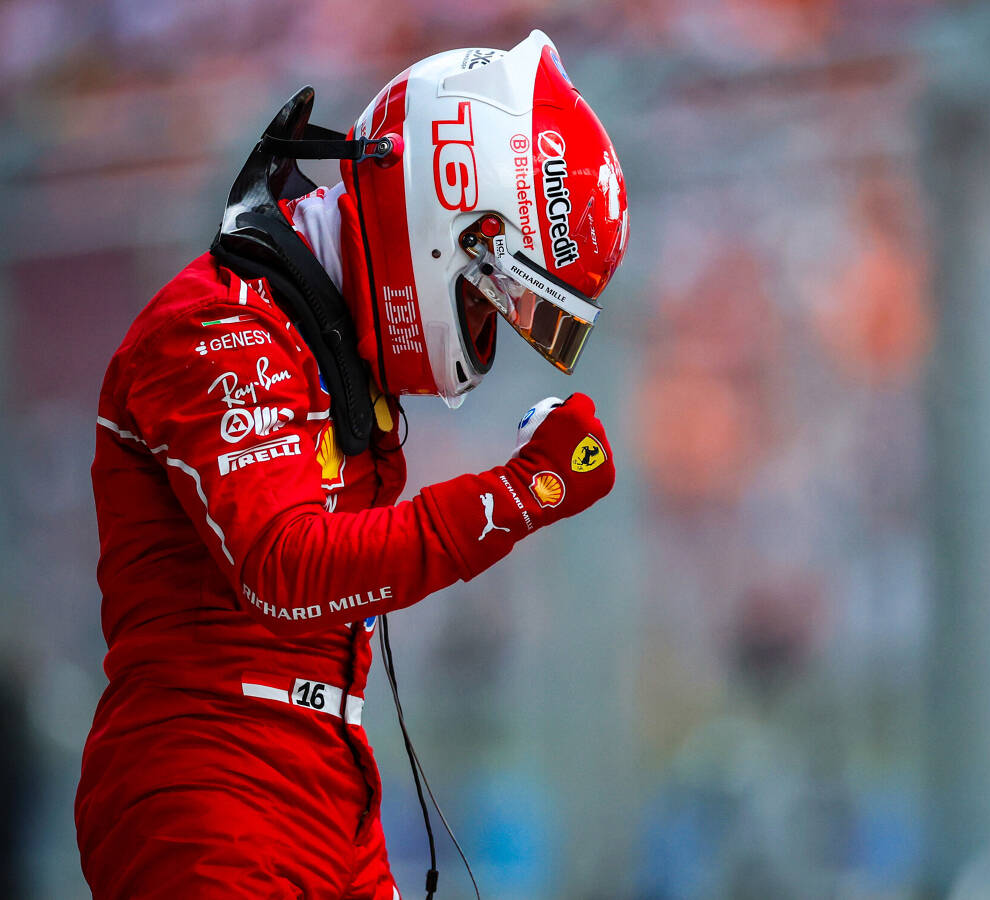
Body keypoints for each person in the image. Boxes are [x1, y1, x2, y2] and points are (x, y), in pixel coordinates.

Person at [75, 30, 628, 900]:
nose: (488, 329)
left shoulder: (321, 337)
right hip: (205, 791)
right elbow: (285, 568)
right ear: (450, 214)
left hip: (327, 792)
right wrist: (527, 490)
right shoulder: (219, 327)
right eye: (493, 295)